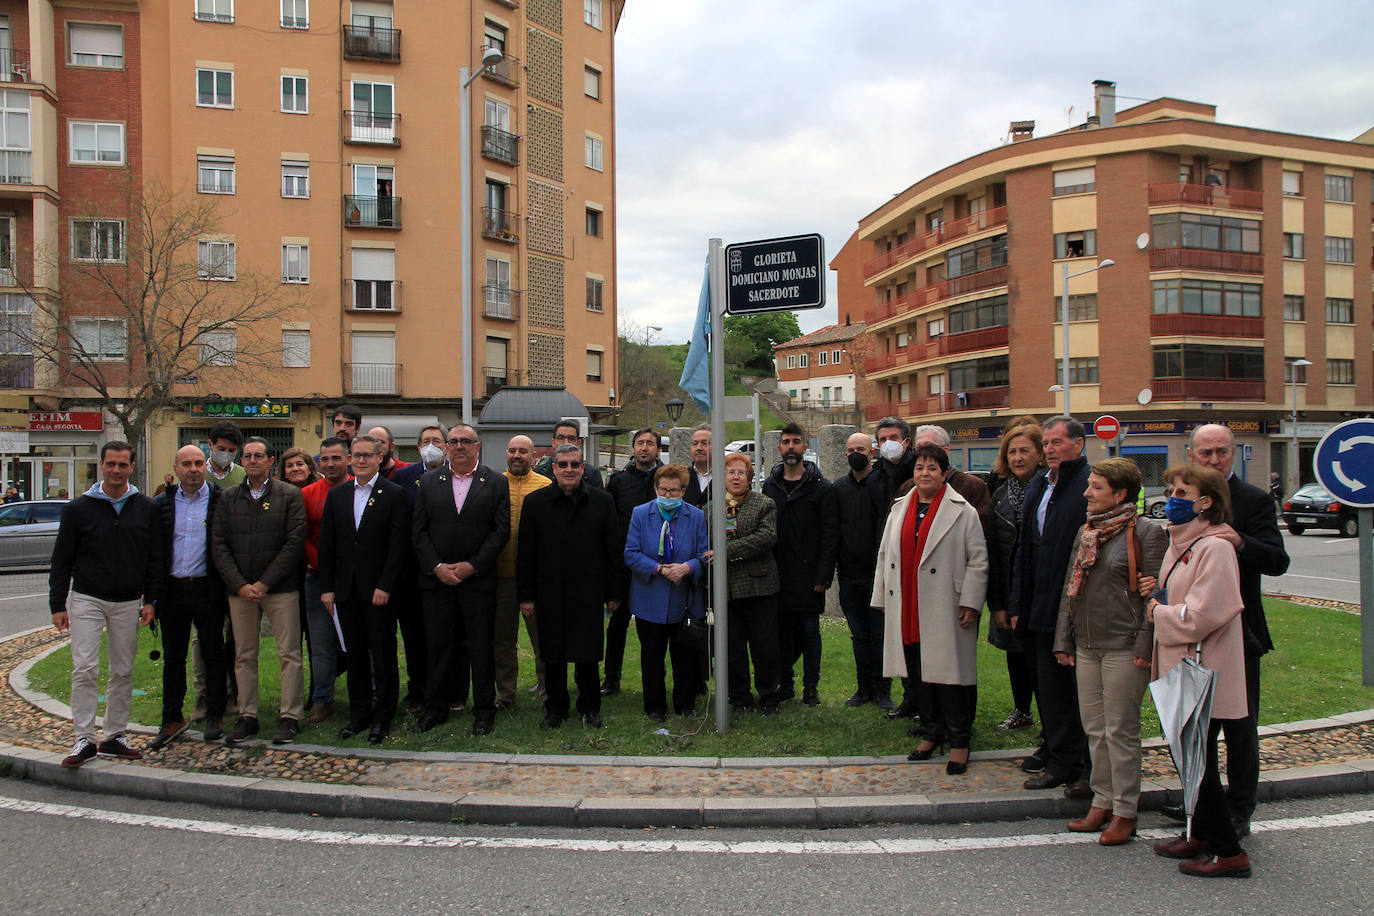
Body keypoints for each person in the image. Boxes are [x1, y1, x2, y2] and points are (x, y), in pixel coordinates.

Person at [1167, 423, 1290, 837]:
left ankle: (1238, 809)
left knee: (1239, 727)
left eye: (1221, 452)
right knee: (1195, 726)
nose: (1214, 459)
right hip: (1191, 632)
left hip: (1239, 634)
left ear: (1233, 454)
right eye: (1206, 453)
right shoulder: (1182, 499)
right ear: (1192, 454)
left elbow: (1277, 560)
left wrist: (1239, 543)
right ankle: (1202, 804)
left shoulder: (1253, 500)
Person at [1143, 464, 1251, 878]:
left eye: (1181, 491)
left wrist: (1159, 612)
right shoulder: (1182, 543)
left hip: (1204, 668)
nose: (1172, 496)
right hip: (1182, 665)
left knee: (1199, 762)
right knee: (1188, 757)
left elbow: (1208, 612)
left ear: (1205, 502)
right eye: (1171, 489)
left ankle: (1229, 851)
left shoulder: (1215, 548)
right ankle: (1201, 831)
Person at [1053, 458, 1167, 845]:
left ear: (1120, 494)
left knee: (1121, 731)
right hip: (1087, 644)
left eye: (1097, 487)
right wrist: (1063, 640)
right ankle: (1101, 800)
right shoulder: (1088, 531)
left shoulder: (1148, 532)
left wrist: (1145, 642)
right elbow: (1072, 589)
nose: (1087, 493)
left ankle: (1125, 810)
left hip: (1124, 646)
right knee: (1095, 730)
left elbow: (1154, 596)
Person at [873, 443, 987, 774]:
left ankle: (959, 741)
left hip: (944, 606)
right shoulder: (899, 508)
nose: (925, 473)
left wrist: (970, 600)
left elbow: (979, 560)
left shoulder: (962, 510)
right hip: (907, 604)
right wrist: (881, 597)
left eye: (932, 468)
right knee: (918, 675)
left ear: (944, 472)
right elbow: (884, 556)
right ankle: (931, 731)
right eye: (920, 467)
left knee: (949, 679)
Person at [50, 441, 163, 767]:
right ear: (101, 465)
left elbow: (155, 557)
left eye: (122, 465)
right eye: (111, 464)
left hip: (128, 600)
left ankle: (113, 735)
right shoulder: (77, 509)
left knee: (123, 670)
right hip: (88, 597)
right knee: (84, 668)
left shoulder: (146, 507)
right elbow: (62, 560)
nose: (116, 470)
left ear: (131, 467)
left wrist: (151, 599)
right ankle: (84, 738)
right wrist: (58, 603)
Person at [1011, 415, 1093, 794]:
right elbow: (1024, 548)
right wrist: (1017, 603)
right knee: (1048, 688)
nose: (1049, 450)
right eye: (1046, 443)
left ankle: (1074, 763)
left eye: (1057, 442)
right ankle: (1058, 754)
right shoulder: (1040, 486)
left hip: (1073, 608)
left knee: (1073, 692)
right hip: (1036, 605)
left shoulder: (1088, 486)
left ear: (1078, 444)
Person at [412, 424, 510, 735]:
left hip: (477, 581)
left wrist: (473, 565)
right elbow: (419, 531)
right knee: (439, 646)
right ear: (446, 447)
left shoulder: (494, 482)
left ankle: (483, 710)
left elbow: (500, 532)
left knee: (481, 648)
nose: (459, 446)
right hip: (438, 581)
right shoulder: (429, 482)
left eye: (465, 441)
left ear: (477, 446)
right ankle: (435, 708)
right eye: (453, 441)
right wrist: (437, 566)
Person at [518, 444, 623, 728]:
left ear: (583, 468)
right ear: (553, 468)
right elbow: (525, 552)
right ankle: (555, 708)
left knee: (587, 653)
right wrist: (526, 596)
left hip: (588, 590)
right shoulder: (535, 502)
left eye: (574, 465)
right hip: (548, 591)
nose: (569, 470)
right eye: (562, 464)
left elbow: (613, 550)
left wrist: (613, 593)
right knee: (553, 654)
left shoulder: (602, 501)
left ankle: (590, 707)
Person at [211, 437, 308, 745]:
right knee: (244, 654)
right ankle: (247, 715)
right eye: (247, 456)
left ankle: (290, 716)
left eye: (258, 456)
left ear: (270, 461)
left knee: (289, 654)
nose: (252, 460)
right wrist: (239, 584)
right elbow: (219, 544)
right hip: (240, 590)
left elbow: (294, 542)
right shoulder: (228, 498)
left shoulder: (290, 495)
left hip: (280, 588)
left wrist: (265, 582)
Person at [319, 435, 410, 744]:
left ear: (378, 457)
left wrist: (386, 584)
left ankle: (383, 717)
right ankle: (359, 714)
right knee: (355, 654)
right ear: (349, 459)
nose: (360, 460)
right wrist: (328, 588)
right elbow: (328, 544)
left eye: (367, 456)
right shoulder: (338, 495)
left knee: (383, 654)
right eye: (355, 456)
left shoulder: (394, 494)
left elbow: (398, 546)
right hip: (345, 590)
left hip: (379, 591)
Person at [150, 445, 229, 749]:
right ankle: (172, 717)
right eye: (187, 464)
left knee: (213, 652)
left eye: (199, 463)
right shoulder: (162, 504)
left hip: (207, 587)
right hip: (173, 590)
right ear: (176, 467)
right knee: (174, 657)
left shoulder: (220, 499)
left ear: (206, 466)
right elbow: (155, 552)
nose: (193, 469)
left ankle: (215, 713)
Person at [624, 464, 709, 721]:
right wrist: (659, 569)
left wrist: (687, 567)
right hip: (650, 597)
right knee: (652, 656)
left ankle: (685, 703)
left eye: (674, 491)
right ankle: (655, 706)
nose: (668, 496)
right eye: (663, 490)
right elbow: (631, 553)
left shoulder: (695, 516)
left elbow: (703, 554)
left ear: (683, 491)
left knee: (684, 657)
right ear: (655, 489)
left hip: (684, 599)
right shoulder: (641, 514)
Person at [762, 422, 838, 706]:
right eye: (786, 442)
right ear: (779, 448)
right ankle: (786, 685)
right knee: (781, 633)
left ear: (805, 448)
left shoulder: (821, 488)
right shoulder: (769, 486)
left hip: (809, 574)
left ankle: (811, 687)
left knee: (809, 632)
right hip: (777, 572)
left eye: (796, 441)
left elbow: (830, 536)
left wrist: (823, 575)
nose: (791, 447)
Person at [706, 452, 781, 714]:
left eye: (741, 472)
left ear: (749, 477)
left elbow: (765, 538)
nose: (736, 476)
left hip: (760, 587)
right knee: (732, 647)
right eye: (730, 472)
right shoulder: (710, 508)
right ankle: (739, 697)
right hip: (726, 589)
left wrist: (726, 550)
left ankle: (769, 696)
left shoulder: (764, 504)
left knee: (764, 646)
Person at [985, 419, 1044, 733]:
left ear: (1040, 454)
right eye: (1012, 452)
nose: (1018, 458)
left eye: (1025, 451)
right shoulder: (1000, 492)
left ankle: (1050, 717)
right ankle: (1022, 710)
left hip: (1040, 589)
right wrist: (997, 602)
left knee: (1042, 661)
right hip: (1008, 587)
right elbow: (992, 550)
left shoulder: (1051, 489)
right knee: (1015, 655)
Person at [388, 424, 447, 707]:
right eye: (426, 441)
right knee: (413, 636)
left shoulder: (456, 474)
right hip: (412, 571)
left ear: (446, 445)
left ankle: (443, 690)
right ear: (418, 446)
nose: (431, 445)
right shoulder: (403, 477)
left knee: (442, 635)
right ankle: (417, 690)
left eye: (437, 440)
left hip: (446, 568)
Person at [602, 427, 662, 696]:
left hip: (659, 565)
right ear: (633, 448)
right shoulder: (618, 481)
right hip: (625, 564)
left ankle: (656, 678)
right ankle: (612, 679)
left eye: (650, 443)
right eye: (640, 443)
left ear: (658, 450)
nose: (644, 448)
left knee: (656, 628)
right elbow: (610, 522)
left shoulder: (666, 479)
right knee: (617, 624)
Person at [833, 431, 891, 709]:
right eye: (850, 449)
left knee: (880, 636)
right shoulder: (838, 489)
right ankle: (863, 689)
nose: (855, 453)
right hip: (848, 574)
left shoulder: (883, 485)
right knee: (859, 636)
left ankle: (883, 691)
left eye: (861, 448)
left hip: (878, 575)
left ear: (872, 452)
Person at [867, 416, 917, 719]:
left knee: (914, 636)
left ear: (907, 441)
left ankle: (919, 697)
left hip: (915, 565)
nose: (889, 444)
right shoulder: (874, 477)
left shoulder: (919, 471)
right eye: (883, 439)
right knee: (892, 635)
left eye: (894, 437)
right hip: (887, 563)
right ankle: (904, 697)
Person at [496, 435, 551, 708]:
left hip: (537, 580)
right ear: (506, 454)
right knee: (503, 642)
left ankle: (548, 692)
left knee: (543, 641)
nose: (517, 455)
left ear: (534, 456)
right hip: (501, 576)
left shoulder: (545, 486)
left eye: (523, 451)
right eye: (512, 450)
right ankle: (506, 695)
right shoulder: (494, 485)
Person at [299, 438, 351, 724]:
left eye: (336, 458)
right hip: (317, 577)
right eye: (325, 459)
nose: (330, 464)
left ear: (349, 460)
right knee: (320, 644)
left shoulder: (361, 488)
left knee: (360, 642)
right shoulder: (308, 493)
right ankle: (322, 700)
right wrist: (323, 564)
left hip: (354, 579)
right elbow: (302, 535)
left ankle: (367, 694)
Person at [532, 420, 605, 488]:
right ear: (553, 442)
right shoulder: (538, 474)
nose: (566, 442)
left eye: (571, 438)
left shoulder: (592, 474)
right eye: (561, 437)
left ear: (578, 443)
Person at [205, 420, 246, 489]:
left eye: (231, 450)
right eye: (221, 449)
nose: (226, 454)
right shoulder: (198, 474)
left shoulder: (244, 476)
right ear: (210, 444)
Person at [684, 425, 712, 508]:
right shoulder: (681, 477)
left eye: (705, 443)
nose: (699, 448)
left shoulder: (727, 478)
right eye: (695, 444)